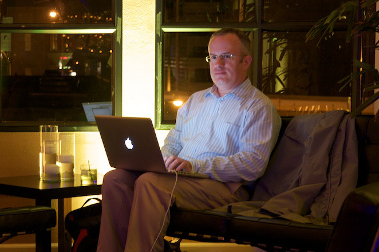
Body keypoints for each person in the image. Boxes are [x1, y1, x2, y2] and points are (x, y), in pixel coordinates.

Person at [96, 28, 282, 252]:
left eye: (227, 56)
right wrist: (161, 161)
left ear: (246, 61)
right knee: (115, 179)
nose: (218, 63)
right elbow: (173, 142)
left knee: (150, 183)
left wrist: (195, 166)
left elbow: (253, 164)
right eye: (213, 57)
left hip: (225, 187)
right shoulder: (195, 101)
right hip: (180, 178)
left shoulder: (257, 106)